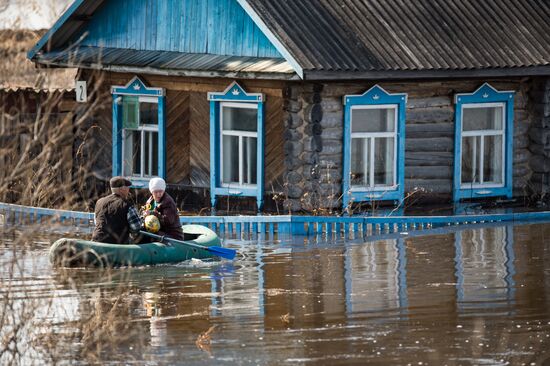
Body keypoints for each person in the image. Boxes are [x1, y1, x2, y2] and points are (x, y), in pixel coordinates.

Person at [92, 176, 142, 244]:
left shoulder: (99, 202)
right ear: (122, 189)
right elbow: (136, 227)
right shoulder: (126, 204)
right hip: (117, 245)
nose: (128, 190)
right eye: (128, 187)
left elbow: (97, 222)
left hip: (96, 242)